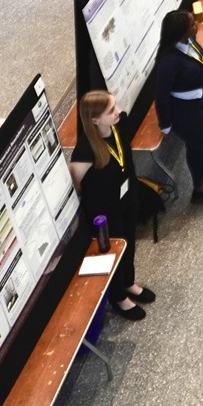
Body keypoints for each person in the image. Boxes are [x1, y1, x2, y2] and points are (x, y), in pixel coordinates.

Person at [71, 91, 155, 318]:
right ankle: (119, 297)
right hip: (104, 213)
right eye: (111, 110)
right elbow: (75, 179)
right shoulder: (86, 149)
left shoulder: (116, 129)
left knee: (129, 244)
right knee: (114, 253)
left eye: (114, 106)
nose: (118, 111)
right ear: (94, 120)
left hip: (127, 200)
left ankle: (128, 282)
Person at [155, 6, 203, 200]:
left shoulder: (189, 42)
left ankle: (200, 187)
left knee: (195, 146)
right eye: (192, 24)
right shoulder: (168, 62)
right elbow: (161, 94)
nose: (196, 24)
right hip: (184, 111)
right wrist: (165, 125)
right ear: (181, 32)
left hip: (199, 99)